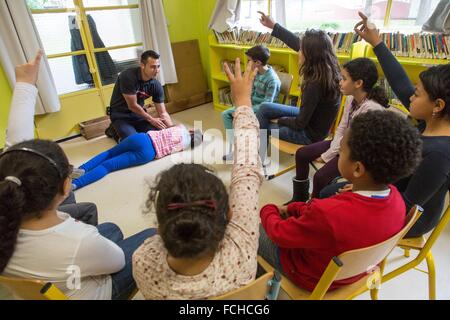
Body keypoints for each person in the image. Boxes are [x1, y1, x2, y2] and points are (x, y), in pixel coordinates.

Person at [132, 58, 264, 299]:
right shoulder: (242, 246)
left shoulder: (143, 261)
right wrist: (243, 103)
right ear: (231, 215)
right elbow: (247, 171)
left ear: (161, 227)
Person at [259, 110, 422, 292]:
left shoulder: (328, 214)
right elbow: (313, 216)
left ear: (358, 168)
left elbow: (279, 233)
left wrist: (268, 209)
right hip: (356, 273)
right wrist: (295, 209)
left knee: (252, 230)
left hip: (309, 276)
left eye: (341, 151)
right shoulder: (397, 200)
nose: (338, 154)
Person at [320, 12, 450, 238]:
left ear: (437, 105)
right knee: (330, 191)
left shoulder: (440, 154)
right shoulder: (429, 120)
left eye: (416, 94)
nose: (410, 97)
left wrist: (368, 191)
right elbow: (400, 83)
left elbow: (409, 204)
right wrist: (376, 43)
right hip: (389, 192)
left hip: (407, 217)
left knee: (329, 197)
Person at [0, 138, 156, 299]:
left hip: (56, 279)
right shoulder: (79, 239)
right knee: (152, 236)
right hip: (91, 289)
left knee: (112, 228)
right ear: (66, 185)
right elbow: (119, 262)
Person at [4, 51, 97, 225]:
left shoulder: (11, 181)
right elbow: (16, 150)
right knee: (110, 227)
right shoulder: (83, 244)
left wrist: (25, 85)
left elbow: (17, 152)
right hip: (49, 222)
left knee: (73, 197)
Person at [286, 57, 390, 204]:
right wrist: (330, 152)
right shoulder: (350, 98)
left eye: (344, 78)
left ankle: (311, 208)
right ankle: (300, 197)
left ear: (358, 83)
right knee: (302, 154)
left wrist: (326, 156)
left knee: (320, 177)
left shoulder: (371, 109)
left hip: (355, 153)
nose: (340, 81)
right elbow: (342, 128)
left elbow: (352, 141)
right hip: (342, 143)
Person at [256, 12, 341, 159]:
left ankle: (258, 156)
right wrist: (274, 26)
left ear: (310, 55)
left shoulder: (314, 83)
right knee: (264, 108)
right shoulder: (327, 65)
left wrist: (281, 120)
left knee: (266, 126)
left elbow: (300, 124)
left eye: (301, 50)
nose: (298, 51)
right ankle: (259, 154)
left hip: (309, 134)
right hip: (311, 118)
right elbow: (296, 42)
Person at [71, 125, 203, 190]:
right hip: (148, 153)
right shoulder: (184, 146)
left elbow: (167, 127)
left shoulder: (180, 128)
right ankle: (75, 184)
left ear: (191, 131)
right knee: (108, 166)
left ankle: (81, 169)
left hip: (142, 138)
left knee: (109, 153)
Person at [221, 44, 281, 160]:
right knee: (225, 115)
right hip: (251, 105)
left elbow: (267, 105)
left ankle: (246, 150)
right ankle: (238, 149)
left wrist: (244, 109)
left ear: (257, 62)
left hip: (264, 111)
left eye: (249, 61)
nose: (248, 63)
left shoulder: (272, 80)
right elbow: (250, 93)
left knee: (238, 116)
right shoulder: (256, 73)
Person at [107, 50, 174, 142]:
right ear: (142, 65)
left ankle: (129, 129)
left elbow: (162, 113)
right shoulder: (127, 76)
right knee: (135, 142)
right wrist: (151, 119)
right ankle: (113, 129)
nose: (157, 71)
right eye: (153, 67)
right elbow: (132, 106)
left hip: (139, 115)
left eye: (158, 67)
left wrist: (172, 129)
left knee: (159, 135)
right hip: (121, 115)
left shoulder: (156, 85)